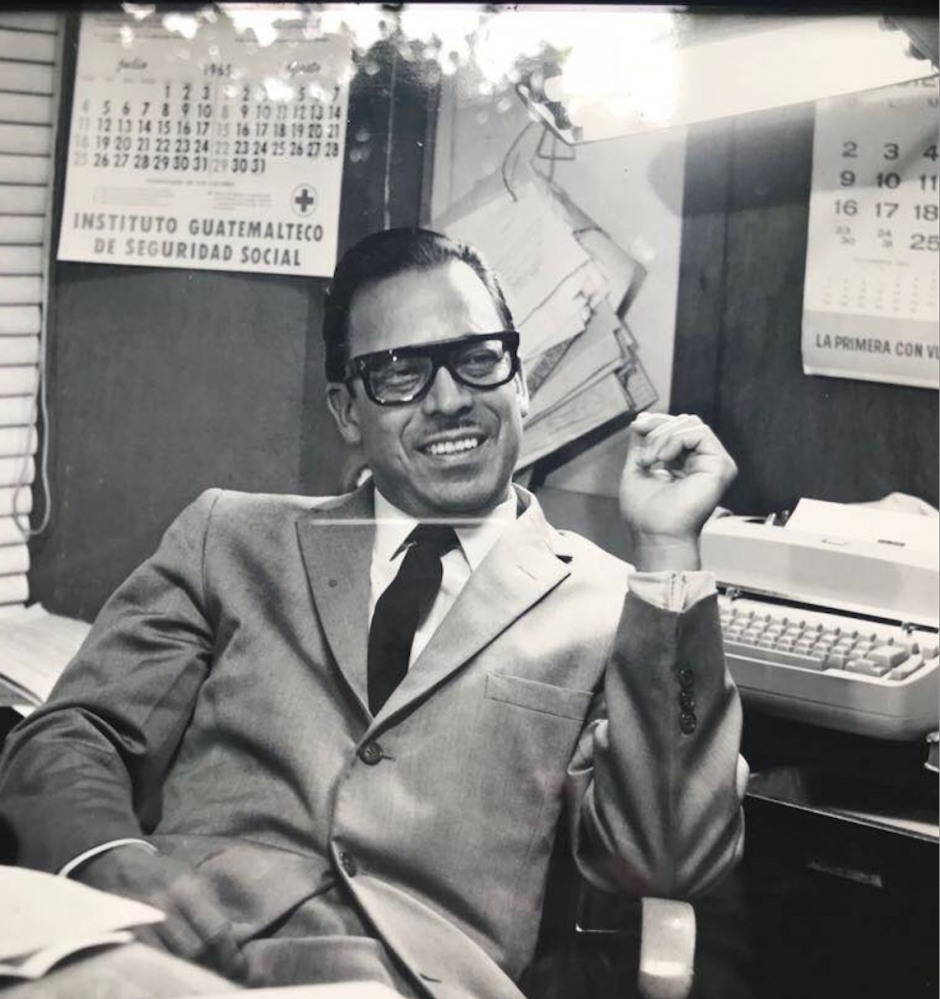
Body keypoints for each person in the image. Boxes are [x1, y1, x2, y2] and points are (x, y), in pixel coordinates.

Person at [0, 228, 747, 999]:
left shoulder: (613, 601)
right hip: (173, 961)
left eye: (479, 357)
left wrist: (666, 551)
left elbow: (669, 854)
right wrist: (108, 856)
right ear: (347, 411)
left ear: (521, 379)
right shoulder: (229, 536)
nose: (450, 398)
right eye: (400, 372)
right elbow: (72, 730)